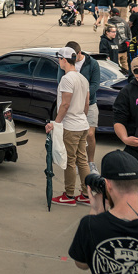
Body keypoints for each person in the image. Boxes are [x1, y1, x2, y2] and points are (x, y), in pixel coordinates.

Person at [47, 47, 93, 206]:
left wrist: (56, 123)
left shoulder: (66, 79)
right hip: (82, 124)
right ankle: (86, 194)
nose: (59, 62)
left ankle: (69, 195)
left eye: (59, 59)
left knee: (70, 161)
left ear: (64, 60)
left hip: (71, 126)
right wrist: (82, 118)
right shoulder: (83, 78)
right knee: (82, 160)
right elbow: (86, 104)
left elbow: (65, 104)